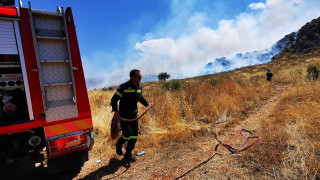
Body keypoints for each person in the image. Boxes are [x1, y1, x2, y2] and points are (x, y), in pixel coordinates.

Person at [111, 69, 151, 162]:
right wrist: (116, 111)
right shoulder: (123, 87)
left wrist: (147, 104)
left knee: (134, 136)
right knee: (127, 134)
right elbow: (114, 99)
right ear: (132, 77)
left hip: (134, 115)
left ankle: (128, 154)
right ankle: (119, 143)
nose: (141, 78)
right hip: (124, 115)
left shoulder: (139, 88)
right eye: (139, 77)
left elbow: (140, 98)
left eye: (141, 76)